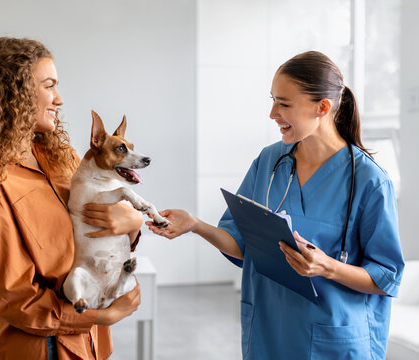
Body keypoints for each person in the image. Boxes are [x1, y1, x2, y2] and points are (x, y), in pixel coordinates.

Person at [147, 51, 404, 359]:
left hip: (333, 340)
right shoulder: (270, 162)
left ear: (322, 108)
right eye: (273, 100)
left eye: (283, 103)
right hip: (269, 332)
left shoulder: (369, 180)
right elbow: (243, 245)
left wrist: (328, 267)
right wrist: (195, 225)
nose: (272, 113)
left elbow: (386, 276)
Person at [0, 37, 143, 360]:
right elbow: (17, 297)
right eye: (49, 86)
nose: (59, 99)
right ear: (13, 94)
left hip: (90, 345)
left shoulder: (62, 158)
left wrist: (132, 224)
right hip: (41, 348)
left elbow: (92, 234)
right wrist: (99, 317)